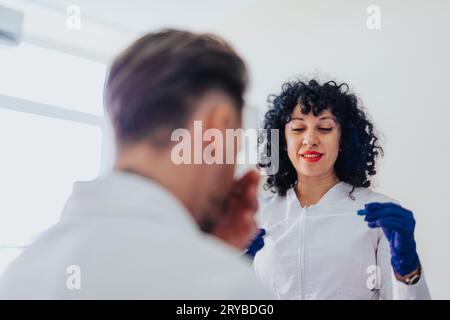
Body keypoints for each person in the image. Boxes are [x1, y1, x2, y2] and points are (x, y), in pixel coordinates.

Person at [0, 29, 273, 299]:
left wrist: (206, 248)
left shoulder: (21, 271)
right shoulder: (230, 288)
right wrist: (214, 262)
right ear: (217, 127)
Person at [248, 79, 431, 299]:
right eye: (298, 128)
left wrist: (408, 267)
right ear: (283, 140)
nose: (310, 139)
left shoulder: (377, 214)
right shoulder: (255, 215)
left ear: (343, 138)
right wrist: (228, 267)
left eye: (325, 128)